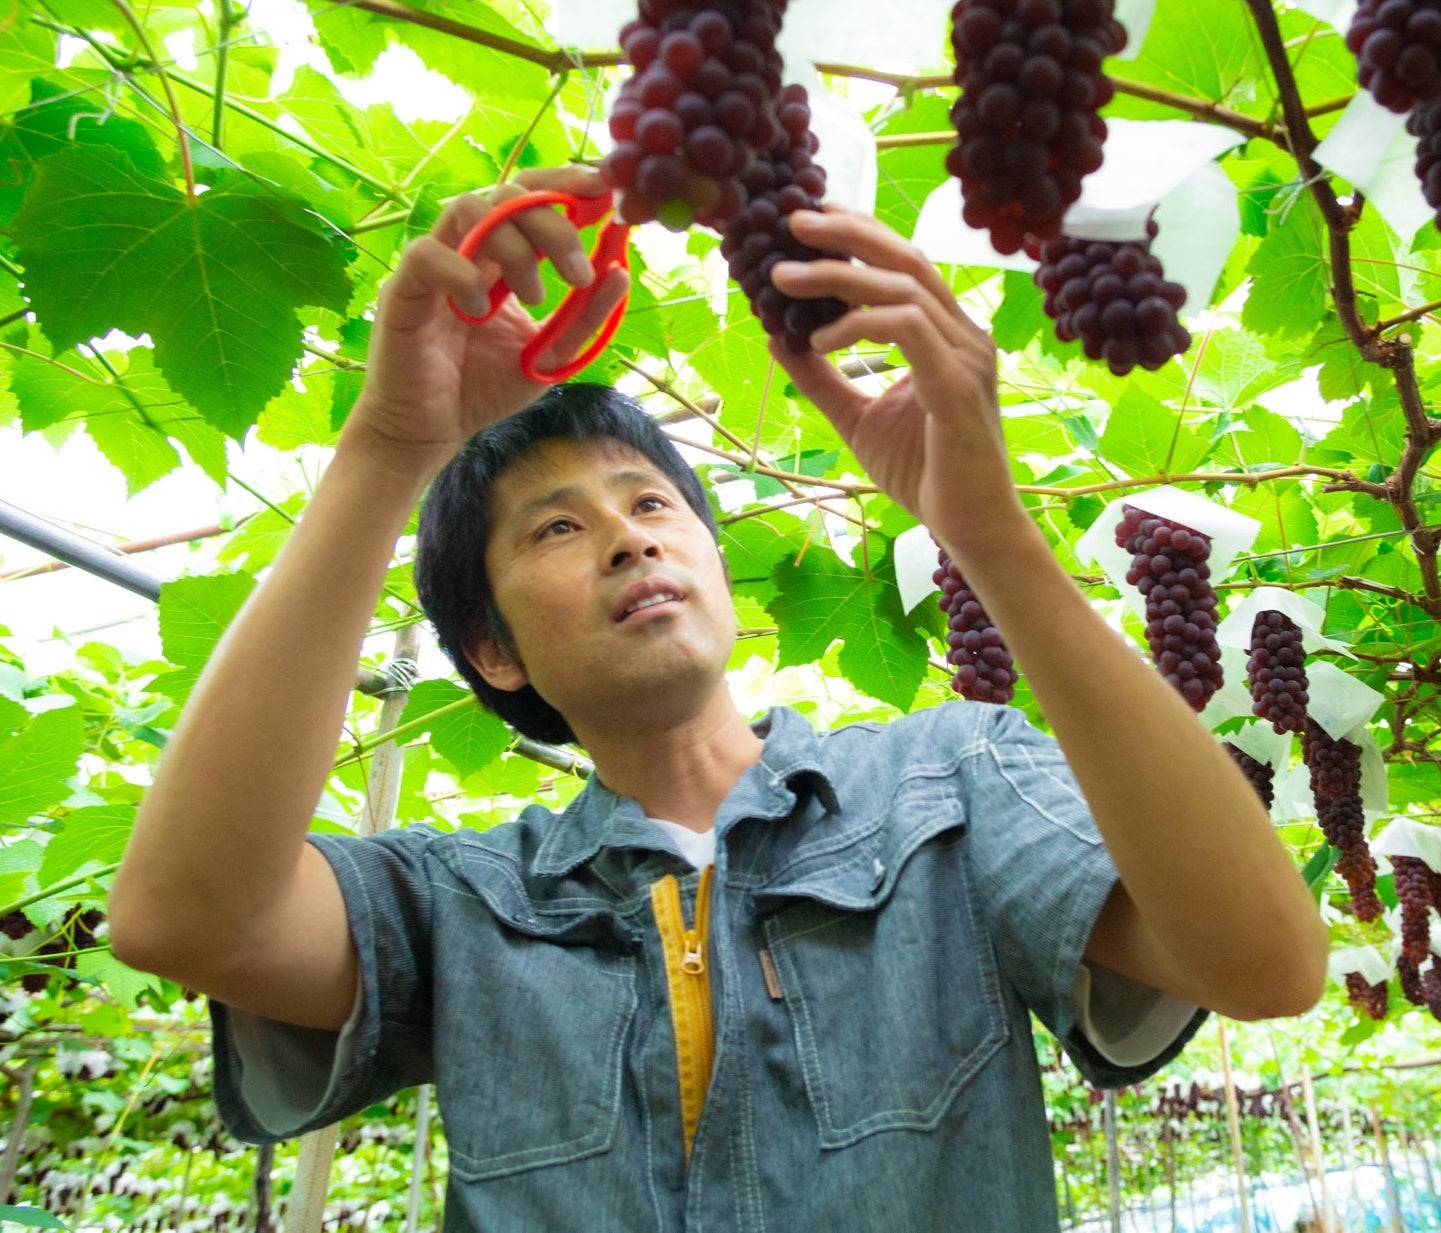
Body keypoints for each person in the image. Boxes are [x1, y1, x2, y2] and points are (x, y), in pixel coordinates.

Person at [109, 165, 1329, 1231]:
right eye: (555, 528)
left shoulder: (949, 785)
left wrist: (987, 534)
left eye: (651, 505)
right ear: (492, 653)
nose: (630, 541)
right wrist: (387, 443)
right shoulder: (459, 905)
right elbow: (184, 917)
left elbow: (1265, 964)